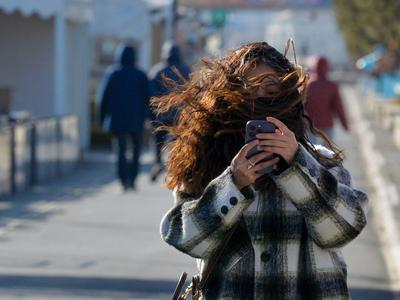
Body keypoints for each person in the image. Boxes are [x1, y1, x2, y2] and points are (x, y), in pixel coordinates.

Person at [154, 42, 368, 299]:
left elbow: (342, 231)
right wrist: (232, 184)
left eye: (271, 89)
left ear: (287, 95)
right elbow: (185, 238)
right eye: (250, 91)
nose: (261, 100)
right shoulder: (205, 163)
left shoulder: (323, 163)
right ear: (228, 95)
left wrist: (297, 164)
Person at [99, 44, 149, 190]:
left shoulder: (112, 73)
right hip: (136, 119)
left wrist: (102, 118)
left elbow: (103, 97)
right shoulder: (140, 75)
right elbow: (149, 98)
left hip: (117, 119)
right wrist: (149, 117)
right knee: (136, 150)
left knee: (120, 151)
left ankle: (123, 179)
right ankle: (133, 178)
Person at [148, 41, 191, 182]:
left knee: (158, 143)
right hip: (180, 116)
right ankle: (176, 169)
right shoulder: (186, 70)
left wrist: (150, 114)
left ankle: (157, 163)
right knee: (178, 145)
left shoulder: (156, 71)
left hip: (160, 116)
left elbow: (150, 96)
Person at [305, 56, 349, 144]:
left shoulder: (308, 85)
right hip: (327, 124)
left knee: (312, 151)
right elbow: (338, 107)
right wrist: (344, 124)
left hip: (311, 125)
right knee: (328, 153)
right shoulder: (331, 86)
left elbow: (302, 106)